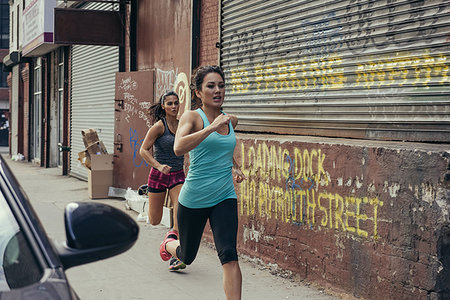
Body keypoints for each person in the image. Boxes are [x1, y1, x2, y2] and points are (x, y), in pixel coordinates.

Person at [159, 65, 246, 300]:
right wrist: (211, 128)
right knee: (186, 256)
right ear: (198, 92)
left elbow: (223, 150)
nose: (217, 90)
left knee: (229, 254)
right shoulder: (192, 117)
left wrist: (235, 167)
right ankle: (169, 243)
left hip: (224, 196)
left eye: (221, 85)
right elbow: (178, 147)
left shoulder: (230, 120)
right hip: (194, 199)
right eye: (210, 86)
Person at [139, 90, 186, 271]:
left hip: (177, 175)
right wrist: (158, 166)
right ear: (163, 106)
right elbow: (143, 150)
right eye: (170, 104)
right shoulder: (159, 126)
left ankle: (176, 254)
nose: (174, 106)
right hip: (158, 175)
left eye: (176, 103)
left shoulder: (184, 125)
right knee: (154, 220)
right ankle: (167, 241)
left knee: (179, 215)